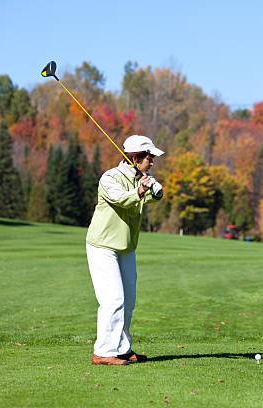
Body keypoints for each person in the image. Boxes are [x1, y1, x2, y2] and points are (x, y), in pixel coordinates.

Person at [85, 135, 164, 365]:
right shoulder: (110, 178)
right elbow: (122, 199)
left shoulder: (142, 178)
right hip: (103, 246)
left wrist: (154, 189)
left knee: (128, 300)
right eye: (150, 157)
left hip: (126, 247)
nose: (153, 161)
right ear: (136, 157)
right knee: (113, 299)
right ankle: (103, 352)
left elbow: (156, 197)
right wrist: (139, 191)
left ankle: (122, 348)